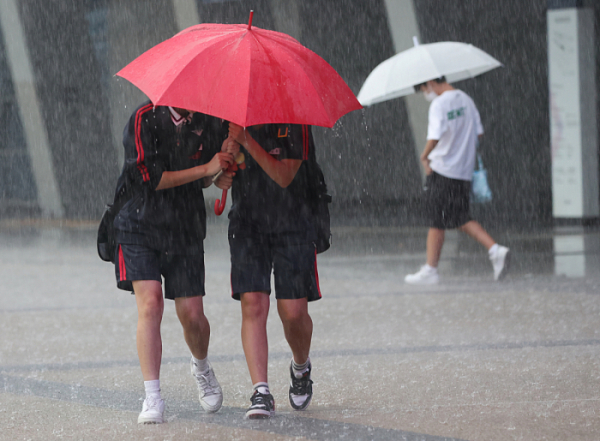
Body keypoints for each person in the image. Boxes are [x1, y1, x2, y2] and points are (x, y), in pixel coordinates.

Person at [112, 101, 237, 424]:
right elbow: (150, 178)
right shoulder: (144, 118)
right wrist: (206, 170)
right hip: (139, 223)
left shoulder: (211, 120)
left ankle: (201, 365)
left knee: (192, 315)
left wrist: (217, 176)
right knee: (151, 304)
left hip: (185, 227)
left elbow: (207, 174)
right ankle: (152, 395)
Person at [226, 122, 321, 419]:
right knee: (253, 303)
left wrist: (247, 142)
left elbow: (283, 176)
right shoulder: (232, 117)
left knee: (293, 312)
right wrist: (224, 163)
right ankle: (261, 391)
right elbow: (218, 176)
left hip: (293, 223)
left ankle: (300, 366)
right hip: (247, 225)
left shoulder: (295, 121)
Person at [405, 77, 510, 285]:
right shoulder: (466, 100)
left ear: (431, 82)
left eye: (424, 88)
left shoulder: (439, 104)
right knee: (458, 217)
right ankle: (495, 250)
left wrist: (424, 156)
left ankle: (431, 270)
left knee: (438, 219)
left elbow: (434, 136)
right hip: (463, 172)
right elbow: (479, 134)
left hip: (443, 170)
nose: (426, 93)